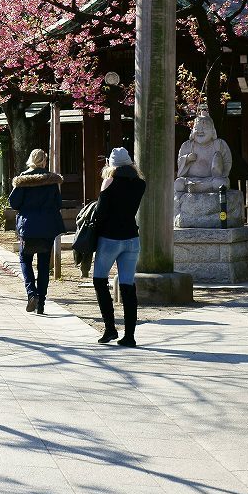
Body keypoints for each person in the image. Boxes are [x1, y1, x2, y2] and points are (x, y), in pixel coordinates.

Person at [91, 147, 146, 347]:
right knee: (128, 286)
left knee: (99, 280)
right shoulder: (140, 184)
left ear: (112, 164)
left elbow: (100, 212)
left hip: (109, 239)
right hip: (132, 238)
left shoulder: (109, 182)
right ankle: (129, 335)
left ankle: (110, 328)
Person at [8, 149, 63, 315]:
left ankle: (31, 293)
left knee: (25, 260)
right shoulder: (51, 180)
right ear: (44, 161)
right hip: (47, 227)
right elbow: (58, 203)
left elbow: (14, 203)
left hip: (28, 227)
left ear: (30, 160)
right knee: (44, 265)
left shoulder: (23, 180)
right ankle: (42, 304)